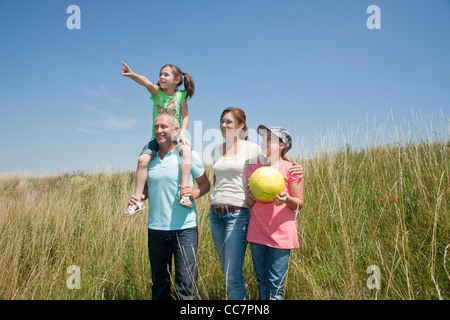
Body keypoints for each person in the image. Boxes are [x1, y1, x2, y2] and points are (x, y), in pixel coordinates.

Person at [209, 108, 304, 300]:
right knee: (257, 279)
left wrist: (293, 175)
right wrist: (249, 196)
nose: (223, 125)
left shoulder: (270, 159)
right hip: (247, 226)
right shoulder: (248, 166)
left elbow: (296, 199)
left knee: (268, 281)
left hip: (261, 224)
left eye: (270, 138)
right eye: (221, 121)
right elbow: (244, 195)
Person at [127, 113, 210, 300]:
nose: (159, 131)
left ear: (175, 130)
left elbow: (205, 184)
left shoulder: (188, 155)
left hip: (185, 228)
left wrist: (193, 193)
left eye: (164, 127)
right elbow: (147, 189)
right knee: (159, 283)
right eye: (156, 127)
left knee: (186, 285)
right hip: (156, 228)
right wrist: (138, 197)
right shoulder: (148, 158)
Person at [121, 62, 194, 215]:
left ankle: (184, 193)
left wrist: (182, 133)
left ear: (177, 80)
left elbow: (185, 116)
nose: (161, 77)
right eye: (160, 74)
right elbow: (146, 82)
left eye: (166, 74)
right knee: (142, 160)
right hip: (158, 139)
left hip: (175, 137)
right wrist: (133, 75)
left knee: (187, 151)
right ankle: (137, 200)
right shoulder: (156, 92)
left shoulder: (181, 96)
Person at [245, 125, 304, 300]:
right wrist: (249, 196)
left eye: (270, 138)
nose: (264, 141)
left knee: (275, 285)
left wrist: (286, 199)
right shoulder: (254, 169)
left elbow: (299, 204)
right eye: (263, 138)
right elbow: (250, 203)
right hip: (257, 233)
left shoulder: (291, 169)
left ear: (281, 145)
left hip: (281, 235)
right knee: (261, 281)